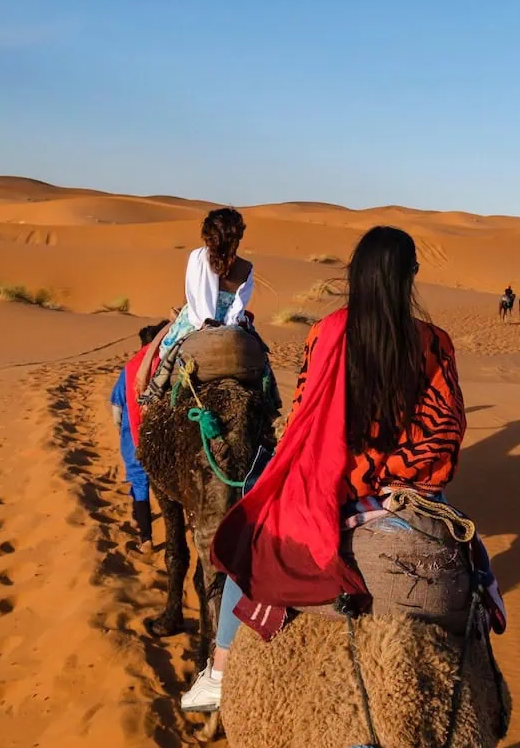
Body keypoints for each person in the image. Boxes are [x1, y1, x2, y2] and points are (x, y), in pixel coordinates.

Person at [185, 225, 479, 712]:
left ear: (356, 275)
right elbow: (445, 430)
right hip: (407, 489)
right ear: (410, 277)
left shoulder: (328, 332)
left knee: (258, 536)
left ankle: (219, 671)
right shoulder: (435, 343)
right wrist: (397, 477)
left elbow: (304, 414)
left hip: (334, 484)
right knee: (471, 571)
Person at [142, 207, 255, 401]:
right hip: (232, 327)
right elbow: (237, 309)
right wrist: (227, 325)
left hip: (195, 324)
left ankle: (151, 395)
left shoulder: (197, 257)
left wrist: (195, 318)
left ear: (208, 236)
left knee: (161, 357)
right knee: (260, 361)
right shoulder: (246, 267)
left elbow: (192, 299)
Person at [110, 320, 169, 543]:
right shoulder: (167, 362)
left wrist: (123, 430)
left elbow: (117, 406)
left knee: (139, 481)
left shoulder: (131, 366)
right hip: (162, 435)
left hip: (132, 435)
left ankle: (145, 538)